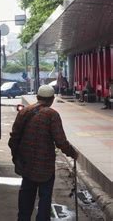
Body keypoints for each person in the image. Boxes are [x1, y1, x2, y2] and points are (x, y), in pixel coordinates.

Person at [8, 85, 78, 221]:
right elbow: (60, 141)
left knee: (26, 195)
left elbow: (14, 138)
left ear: (37, 97)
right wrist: (72, 153)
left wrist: (17, 158)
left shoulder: (24, 112)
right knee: (45, 198)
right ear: (52, 99)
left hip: (27, 165)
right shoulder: (52, 115)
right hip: (45, 167)